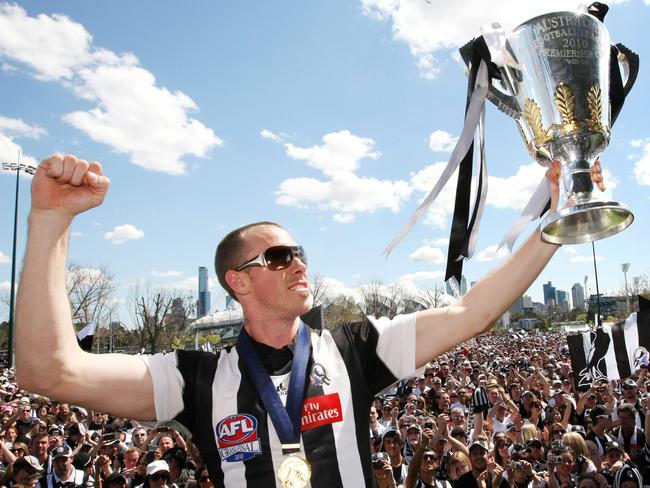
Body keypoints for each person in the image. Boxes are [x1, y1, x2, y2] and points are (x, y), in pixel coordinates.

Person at [15, 154, 604, 487]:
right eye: (276, 256)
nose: (297, 262)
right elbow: (49, 370)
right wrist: (50, 219)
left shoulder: (355, 349)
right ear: (236, 282)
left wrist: (555, 221)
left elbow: (471, 311)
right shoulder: (192, 376)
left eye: (299, 252)